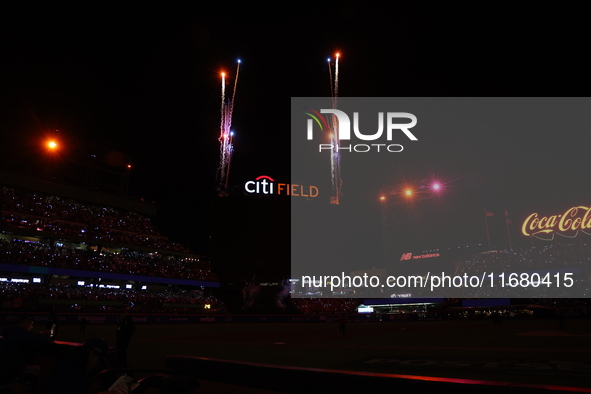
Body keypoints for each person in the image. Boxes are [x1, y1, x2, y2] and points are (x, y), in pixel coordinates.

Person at [44, 337, 111, 394]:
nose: (98, 365)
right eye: (99, 360)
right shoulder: (73, 374)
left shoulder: (69, 365)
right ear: (91, 354)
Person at [0, 316, 53, 386]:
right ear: (25, 322)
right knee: (37, 369)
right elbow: (42, 343)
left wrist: (40, 334)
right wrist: (46, 335)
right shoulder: (22, 333)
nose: (32, 327)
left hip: (5, 365)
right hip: (10, 368)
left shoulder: (8, 330)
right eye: (31, 324)